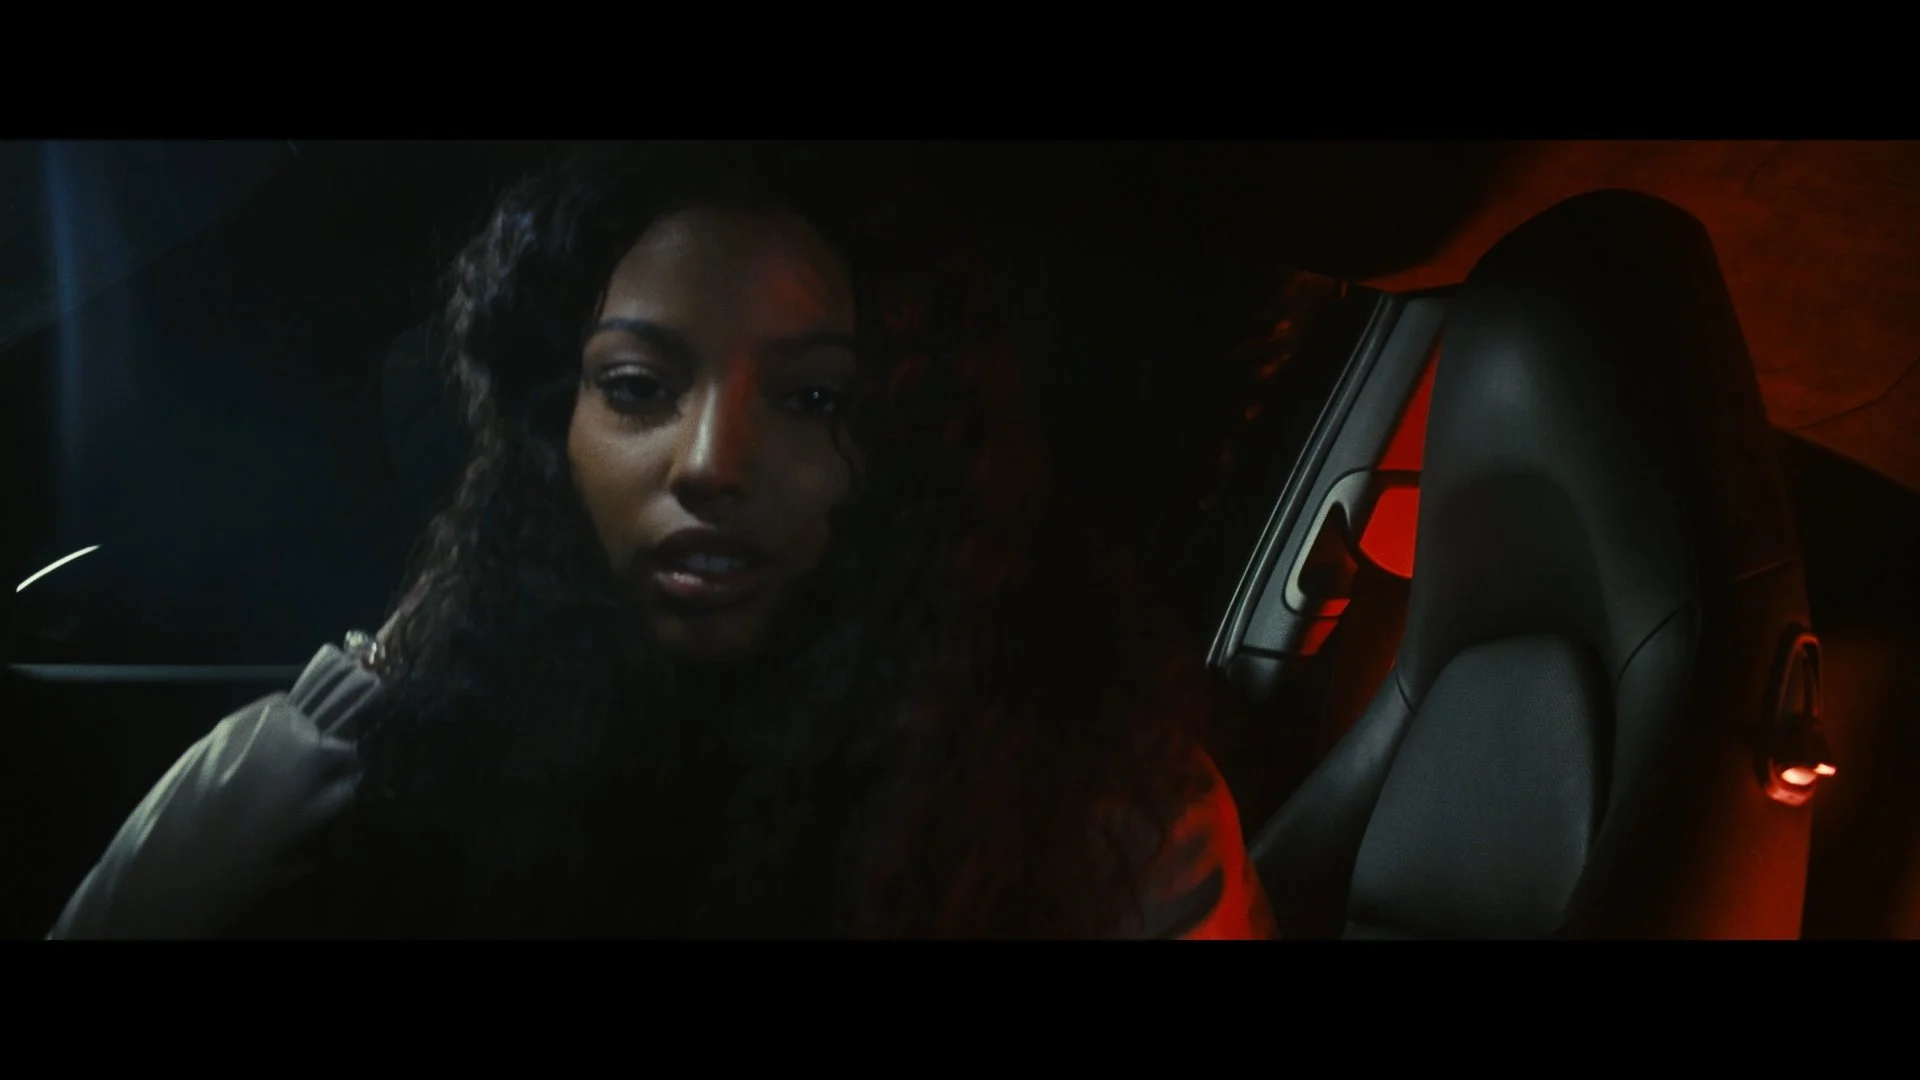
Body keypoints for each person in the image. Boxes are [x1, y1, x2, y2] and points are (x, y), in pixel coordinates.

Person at [48, 143, 1277, 939]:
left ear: (913, 442)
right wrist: (365, 706)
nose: (708, 463)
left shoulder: (1099, 809)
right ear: (555, 436)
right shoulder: (394, 754)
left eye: (813, 398)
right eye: (637, 387)